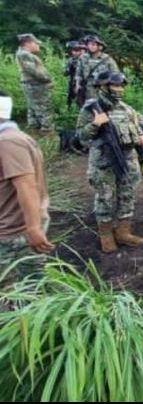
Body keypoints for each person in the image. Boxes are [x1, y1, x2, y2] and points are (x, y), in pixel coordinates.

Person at [76, 72, 143, 253]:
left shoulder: (127, 109)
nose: (119, 90)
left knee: (127, 195)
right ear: (103, 87)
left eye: (122, 86)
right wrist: (95, 124)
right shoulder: (91, 108)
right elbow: (80, 137)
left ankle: (123, 232)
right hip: (103, 161)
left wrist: (140, 137)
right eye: (115, 86)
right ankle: (106, 236)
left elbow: (137, 129)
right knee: (105, 198)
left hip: (128, 159)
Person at [0, 91, 53, 282]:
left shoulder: (8, 142)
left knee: (20, 288)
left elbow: (26, 185)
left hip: (12, 234)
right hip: (14, 230)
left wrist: (33, 228)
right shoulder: (13, 137)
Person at [15, 33, 55, 134]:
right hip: (36, 85)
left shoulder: (24, 54)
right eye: (36, 43)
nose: (38, 46)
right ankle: (47, 130)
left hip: (32, 85)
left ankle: (34, 128)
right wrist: (47, 79)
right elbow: (34, 71)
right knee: (44, 107)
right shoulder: (24, 55)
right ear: (28, 43)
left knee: (33, 107)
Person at [75, 35, 119, 101]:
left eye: (93, 44)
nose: (90, 46)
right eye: (89, 44)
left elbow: (116, 74)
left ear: (100, 47)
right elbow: (79, 73)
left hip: (103, 89)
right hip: (87, 88)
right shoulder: (83, 58)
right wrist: (77, 85)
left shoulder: (107, 59)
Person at [64, 40, 87, 108]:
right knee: (70, 101)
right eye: (73, 51)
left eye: (77, 50)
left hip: (83, 84)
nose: (75, 53)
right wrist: (70, 68)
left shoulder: (86, 60)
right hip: (72, 83)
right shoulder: (70, 60)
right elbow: (65, 73)